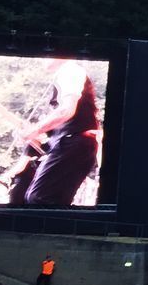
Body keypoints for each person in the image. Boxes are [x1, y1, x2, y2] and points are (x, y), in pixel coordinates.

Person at [13, 58, 100, 207]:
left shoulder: (69, 71)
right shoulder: (68, 73)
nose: (42, 59)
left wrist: (35, 129)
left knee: (39, 198)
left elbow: (66, 110)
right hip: (76, 144)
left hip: (73, 143)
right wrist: (37, 134)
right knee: (55, 201)